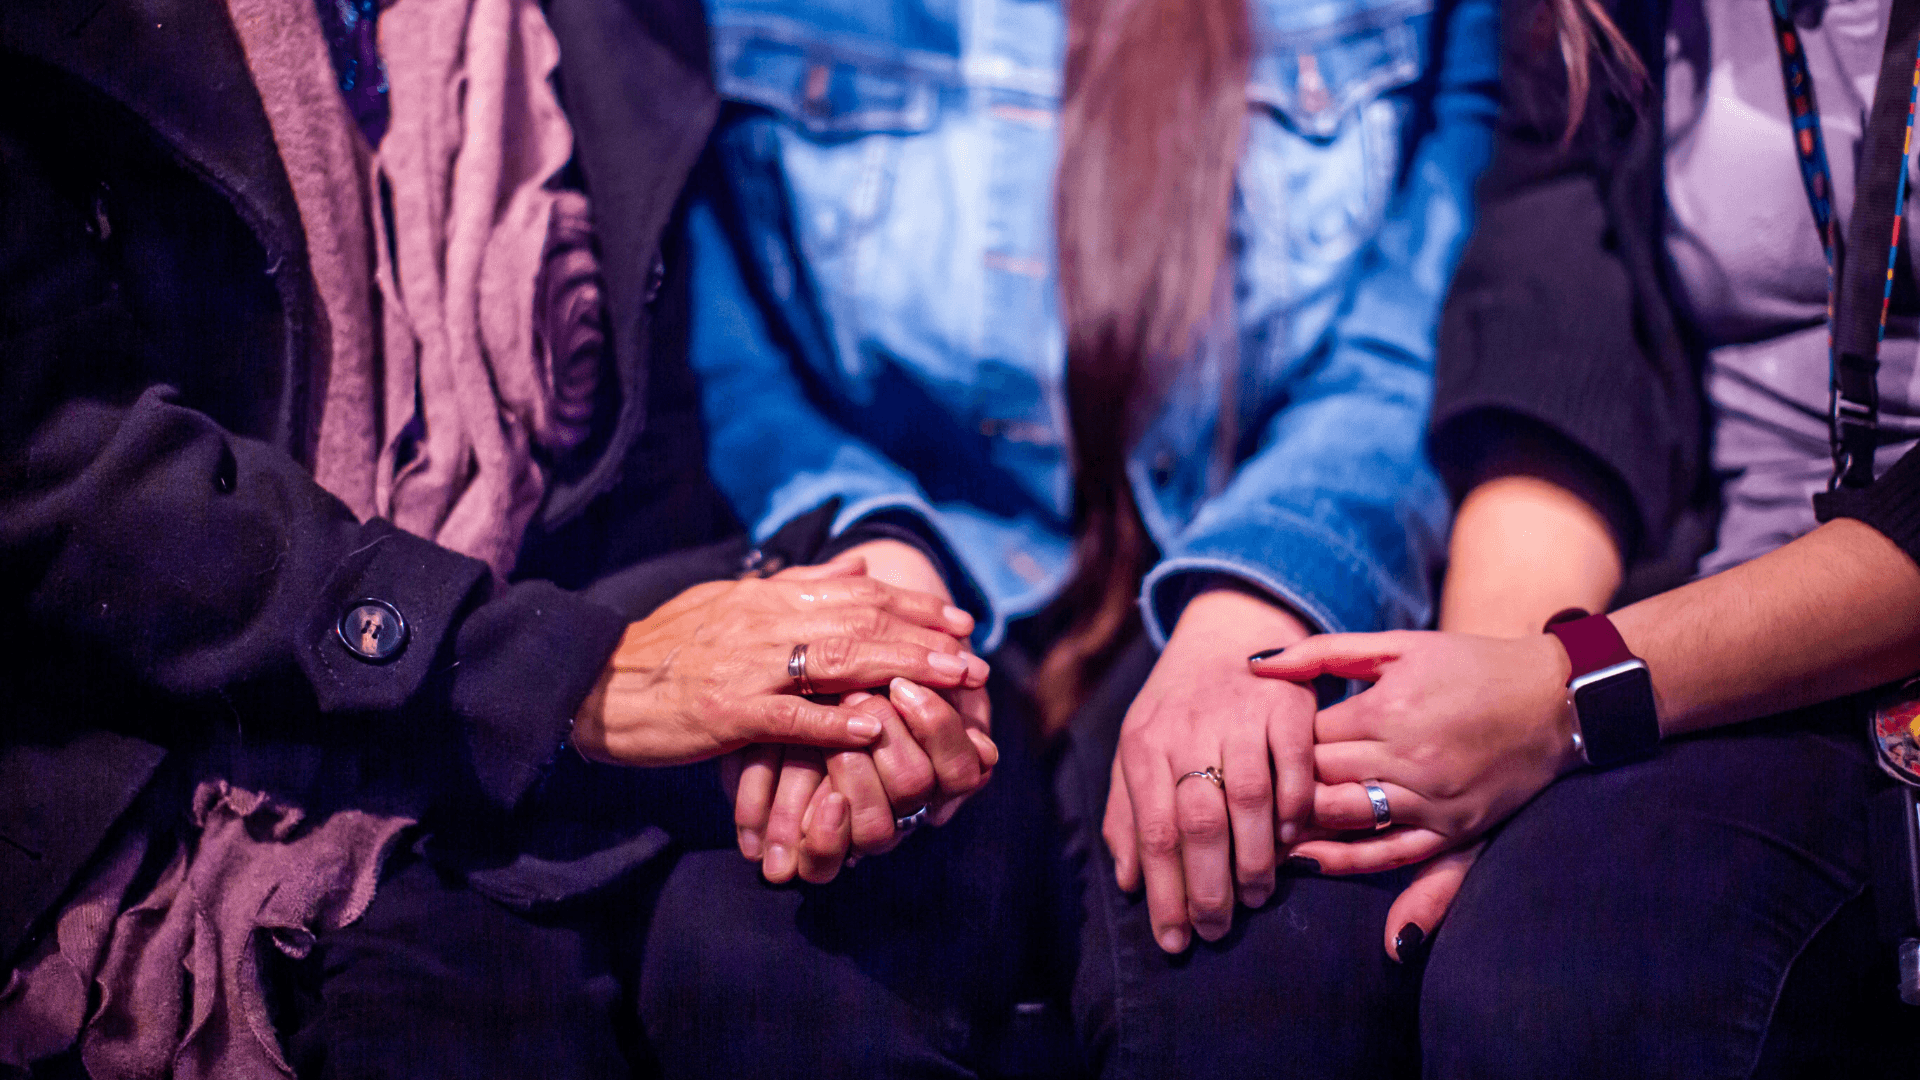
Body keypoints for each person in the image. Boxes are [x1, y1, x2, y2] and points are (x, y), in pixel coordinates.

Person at [0, 0, 991, 1075]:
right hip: (175, 753)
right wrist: (567, 674)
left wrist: (863, 630)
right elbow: (64, 469)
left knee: (806, 979)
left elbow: (685, 401)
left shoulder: (594, 29)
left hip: (558, 672)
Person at [686, 0, 1497, 1073]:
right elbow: (730, 346)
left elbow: (1411, 334)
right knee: (765, 970)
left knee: (1274, 977)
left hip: (1251, 542)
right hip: (897, 542)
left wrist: (1262, 601)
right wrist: (865, 560)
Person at [1247, 0, 1920, 1073]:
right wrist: (1468, 740)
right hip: (1691, 596)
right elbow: (1557, 335)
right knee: (1274, 948)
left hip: (1834, 641)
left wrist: (1562, 695)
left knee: (1557, 992)